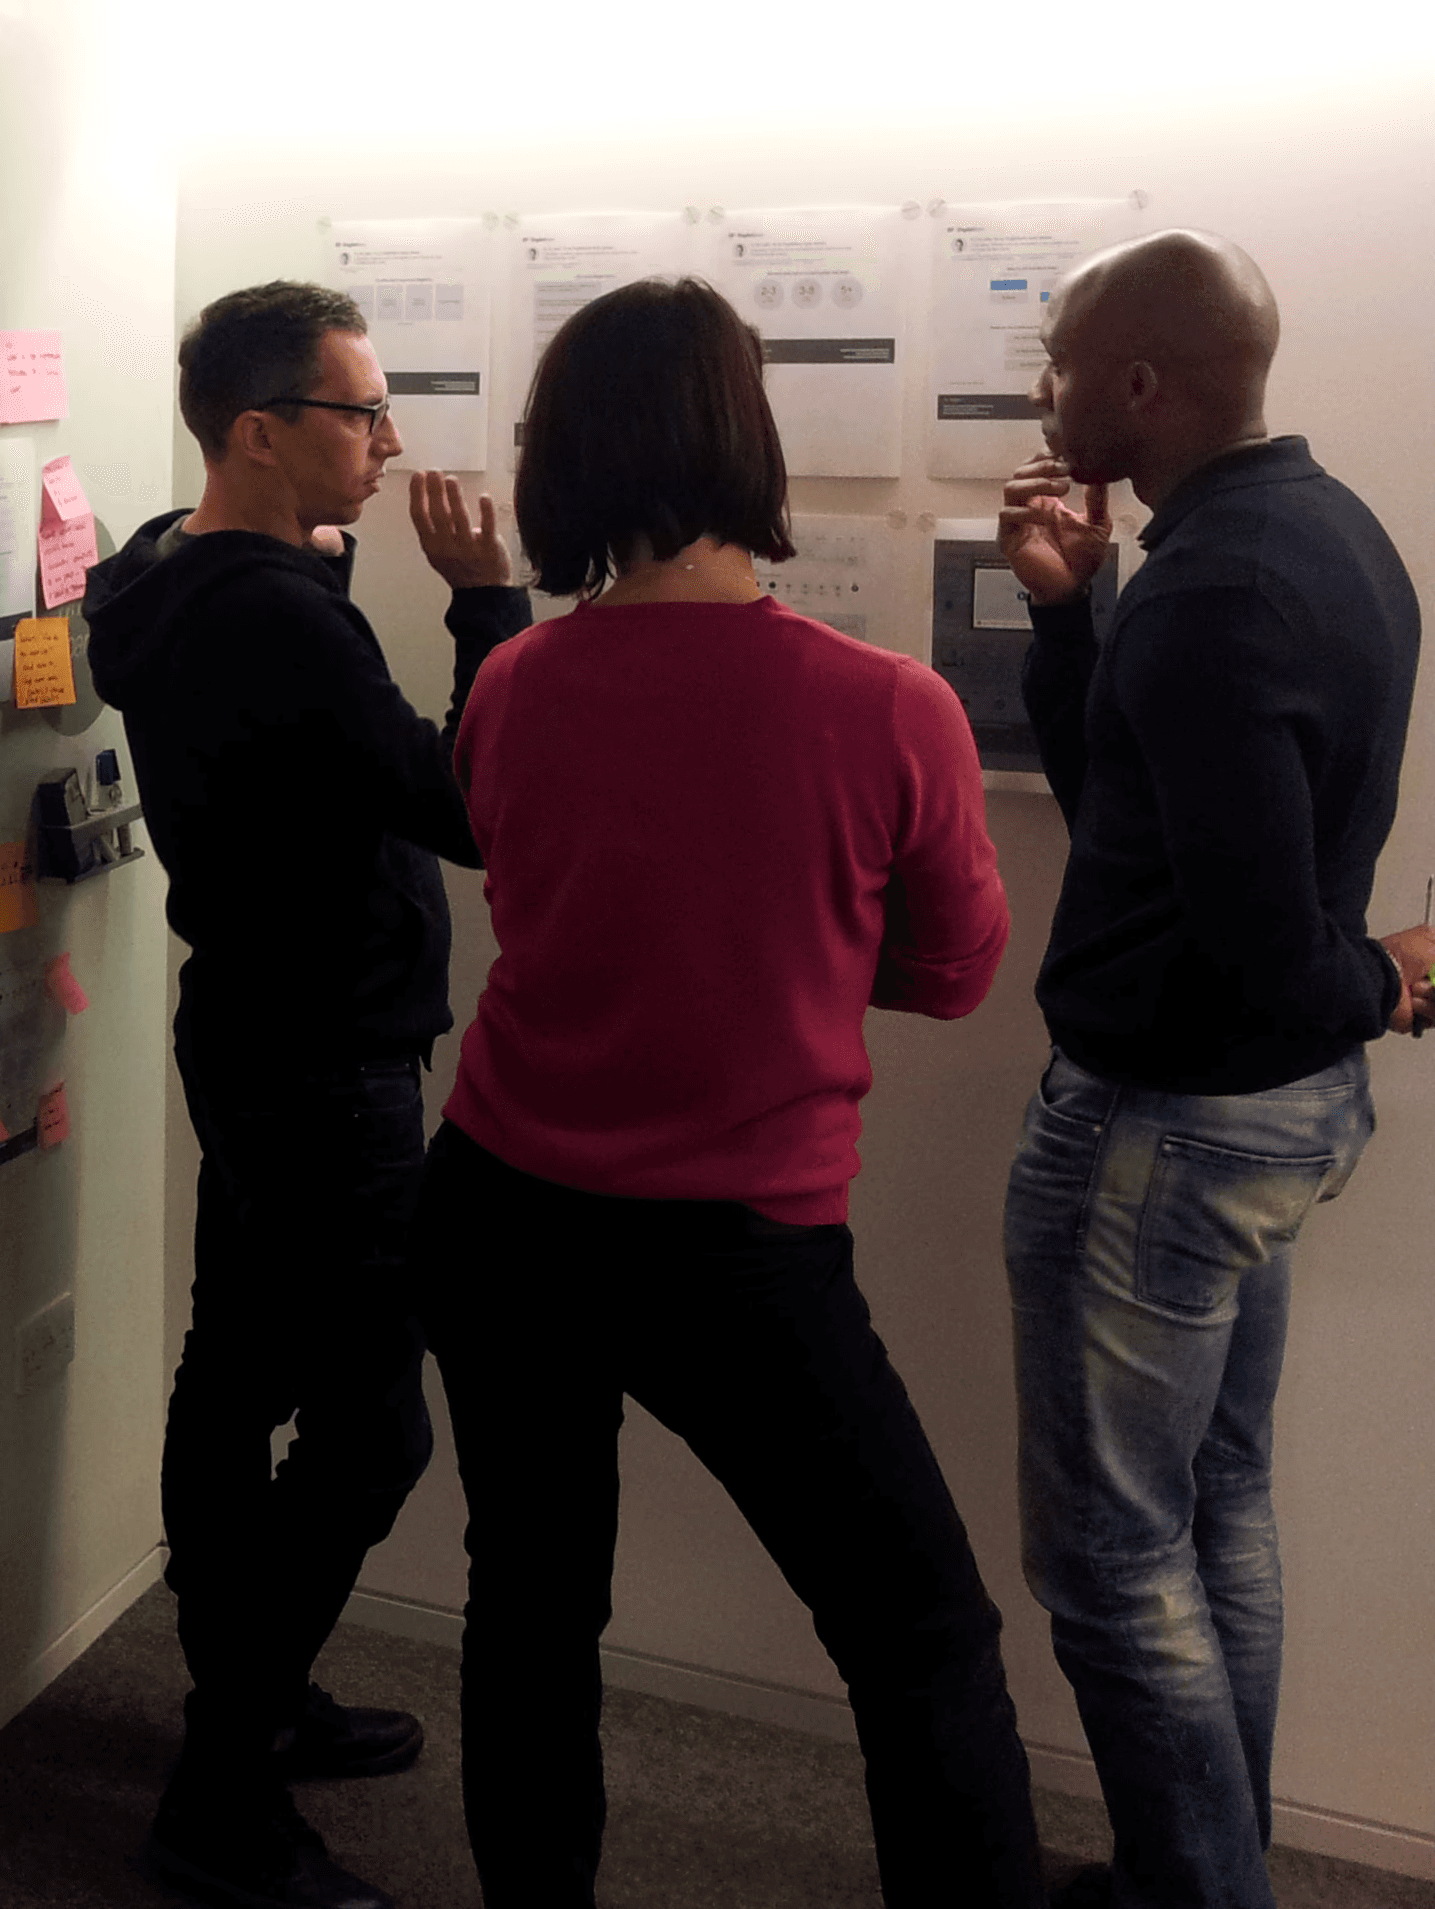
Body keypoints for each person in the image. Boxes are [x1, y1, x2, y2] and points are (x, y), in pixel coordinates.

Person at [411, 276, 1044, 1907]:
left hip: (500, 1210)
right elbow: (956, 971)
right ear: (747, 434)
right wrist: (806, 964)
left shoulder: (512, 689)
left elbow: (548, 896)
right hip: (737, 1251)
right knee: (922, 1638)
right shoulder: (890, 707)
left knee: (532, 1606)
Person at [87, 279, 529, 1909]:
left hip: (251, 1031)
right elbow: (468, 803)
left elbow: (153, 554)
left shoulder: (160, 578)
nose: (388, 445)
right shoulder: (276, 610)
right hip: (331, 1063)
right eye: (360, 414)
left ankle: (246, 1705)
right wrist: (487, 607)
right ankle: (221, 1789)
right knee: (368, 1433)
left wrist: (311, 556)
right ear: (260, 431)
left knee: (233, 1378)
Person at [999, 229, 1428, 1909]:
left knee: (1111, 1561)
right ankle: (1209, 1866)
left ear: (1138, 384)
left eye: (1057, 367)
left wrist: (1391, 984)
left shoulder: (1220, 589)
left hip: (1168, 1130)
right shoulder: (1315, 532)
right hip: (1253, 1123)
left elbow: (1263, 946)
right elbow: (1148, 821)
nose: (1039, 396)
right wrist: (1073, 608)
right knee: (1215, 1509)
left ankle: (1202, 1892)